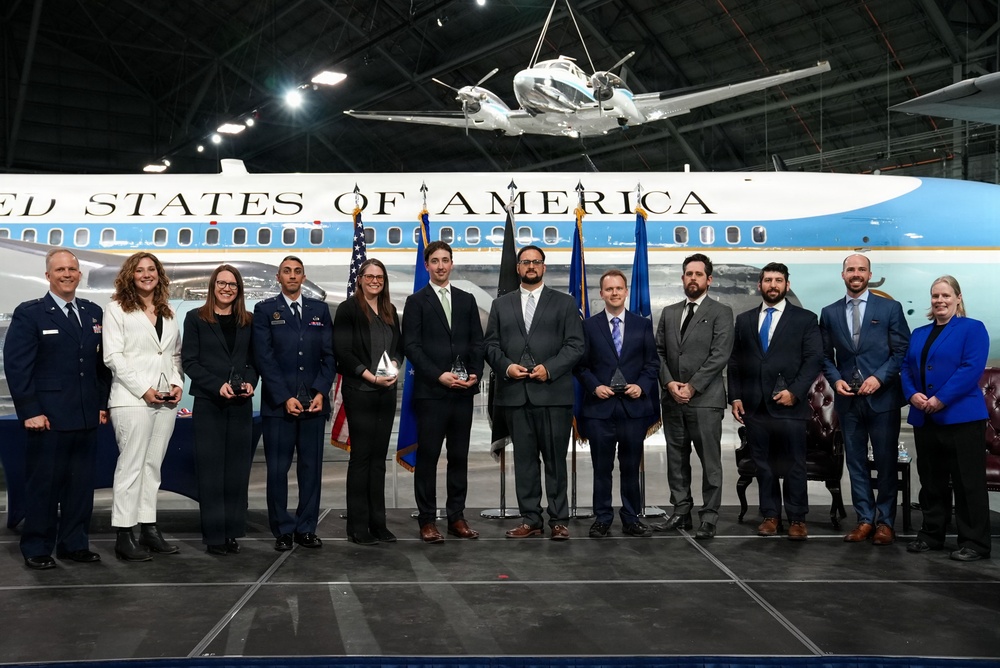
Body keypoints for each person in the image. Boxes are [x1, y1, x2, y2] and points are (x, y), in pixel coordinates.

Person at [4, 249, 111, 569]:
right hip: (47, 417)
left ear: (80, 275)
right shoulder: (31, 314)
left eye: (72, 269)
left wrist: (101, 404)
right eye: (60, 270)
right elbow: (17, 366)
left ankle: (74, 544)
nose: (67, 274)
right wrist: (30, 410)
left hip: (85, 415)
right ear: (48, 276)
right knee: (44, 485)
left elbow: (100, 366)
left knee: (80, 487)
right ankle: (37, 545)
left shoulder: (93, 313)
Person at [484, 245, 584, 540]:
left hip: (552, 394)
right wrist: (507, 367)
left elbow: (576, 345)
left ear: (544, 267)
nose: (531, 266)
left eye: (536, 262)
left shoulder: (564, 303)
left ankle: (559, 520)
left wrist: (549, 368)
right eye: (525, 262)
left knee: (555, 461)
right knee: (524, 462)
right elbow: (490, 345)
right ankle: (530, 519)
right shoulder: (501, 305)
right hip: (516, 394)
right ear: (517, 268)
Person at [820, 254, 910, 546]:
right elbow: (824, 355)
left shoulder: (890, 308)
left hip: (882, 399)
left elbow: (902, 351)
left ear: (870, 274)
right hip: (848, 401)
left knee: (885, 462)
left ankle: (885, 522)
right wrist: (836, 380)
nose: (855, 274)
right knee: (855, 463)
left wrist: (880, 377)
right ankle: (864, 520)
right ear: (842, 275)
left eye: (861, 269)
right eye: (850, 269)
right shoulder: (830, 312)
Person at [728, 262, 822, 540]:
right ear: (760, 285)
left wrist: (795, 391)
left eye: (778, 280)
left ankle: (796, 518)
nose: (772, 285)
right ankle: (770, 516)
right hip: (755, 406)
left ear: (787, 285)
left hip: (790, 405)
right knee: (763, 465)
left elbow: (813, 359)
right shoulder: (744, 320)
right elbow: (735, 361)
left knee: (794, 464)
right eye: (767, 280)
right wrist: (734, 396)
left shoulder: (805, 319)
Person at [901, 275, 991, 562]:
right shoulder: (919, 333)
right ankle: (931, 535)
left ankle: (974, 542)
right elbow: (905, 369)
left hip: (961, 418)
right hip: (925, 417)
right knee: (931, 482)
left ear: (958, 298)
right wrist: (912, 394)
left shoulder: (972, 329)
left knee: (968, 483)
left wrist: (941, 399)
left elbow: (971, 369)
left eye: (946, 296)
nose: (940, 301)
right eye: (935, 296)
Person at [402, 242, 484, 543]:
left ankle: (456, 518)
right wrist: (439, 375)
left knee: (459, 458)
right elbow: (411, 346)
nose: (440, 266)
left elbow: (478, 341)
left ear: (452, 264)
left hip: (462, 393)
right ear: (427, 266)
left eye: (445, 260)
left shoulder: (467, 299)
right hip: (431, 393)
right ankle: (427, 520)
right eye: (434, 261)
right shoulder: (416, 301)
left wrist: (475, 374)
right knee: (428, 459)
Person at [103, 251, 183, 561]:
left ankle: (149, 528)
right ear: (130, 276)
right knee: (132, 466)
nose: (146, 274)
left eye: (152, 269)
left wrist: (177, 384)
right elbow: (113, 357)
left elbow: (174, 355)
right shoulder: (116, 310)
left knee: (153, 467)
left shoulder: (168, 311)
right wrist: (144, 389)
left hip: (165, 399)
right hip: (131, 399)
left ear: (159, 275)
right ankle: (124, 534)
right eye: (140, 270)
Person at [253, 256, 335, 551]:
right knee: (277, 470)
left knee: (311, 470)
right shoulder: (264, 311)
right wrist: (284, 396)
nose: (292, 276)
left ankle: (306, 528)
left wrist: (321, 392)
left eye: (297, 271)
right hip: (279, 407)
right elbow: (264, 358)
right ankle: (283, 530)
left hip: (313, 405)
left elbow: (329, 355)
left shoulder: (320, 311)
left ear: (304, 276)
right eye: (286, 271)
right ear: (278, 277)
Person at [653, 253, 734, 539]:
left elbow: (719, 355)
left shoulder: (721, 312)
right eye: (689, 273)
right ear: (683, 277)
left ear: (708, 280)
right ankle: (681, 512)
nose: (693, 278)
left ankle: (709, 517)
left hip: (705, 400)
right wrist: (670, 383)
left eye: (698, 274)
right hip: (673, 399)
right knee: (676, 459)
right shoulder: (670, 312)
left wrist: (692, 386)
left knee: (710, 462)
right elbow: (659, 352)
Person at [574, 269, 659, 538]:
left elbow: (652, 363)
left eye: (619, 288)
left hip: (633, 410)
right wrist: (594, 386)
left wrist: (641, 386)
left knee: (630, 468)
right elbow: (581, 365)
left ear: (625, 291)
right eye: (609, 289)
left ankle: (631, 518)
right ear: (601, 294)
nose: (614, 293)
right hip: (600, 410)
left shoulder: (642, 324)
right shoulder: (589, 326)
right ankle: (602, 517)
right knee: (602, 469)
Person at [182, 265, 259, 556]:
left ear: (239, 290)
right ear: (213, 286)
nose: (227, 289)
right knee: (212, 473)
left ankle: (232, 532)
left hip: (240, 405)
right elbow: (190, 362)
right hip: (209, 403)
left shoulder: (248, 322)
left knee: (236, 473)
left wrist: (250, 382)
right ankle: (215, 535)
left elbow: (254, 362)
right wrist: (218, 386)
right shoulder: (195, 319)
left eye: (233, 285)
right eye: (222, 283)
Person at [333, 258, 404, 546]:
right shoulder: (348, 310)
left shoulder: (390, 310)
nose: (375, 281)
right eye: (370, 276)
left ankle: (379, 524)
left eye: (380, 277)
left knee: (379, 461)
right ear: (360, 278)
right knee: (361, 459)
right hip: (360, 391)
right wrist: (370, 377)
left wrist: (394, 366)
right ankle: (357, 527)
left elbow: (398, 345)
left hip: (385, 393)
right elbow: (343, 351)